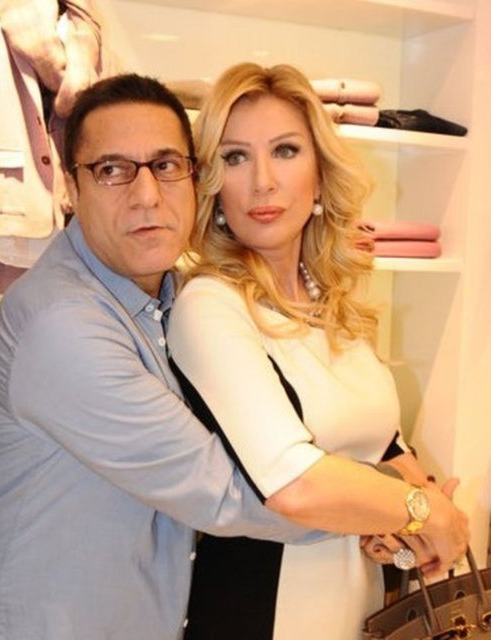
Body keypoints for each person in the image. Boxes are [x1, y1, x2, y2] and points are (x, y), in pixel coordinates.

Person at [0, 73, 324, 640]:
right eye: (112, 170)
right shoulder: (62, 324)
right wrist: (404, 511)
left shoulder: (172, 296)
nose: (146, 195)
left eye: (165, 165)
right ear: (72, 188)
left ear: (194, 178)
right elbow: (222, 492)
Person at [166, 62, 470, 640]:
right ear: (212, 184)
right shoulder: (209, 305)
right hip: (262, 613)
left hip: (357, 607)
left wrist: (414, 525)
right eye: (235, 157)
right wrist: (425, 512)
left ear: (321, 174)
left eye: (285, 151)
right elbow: (295, 483)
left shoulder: (331, 300)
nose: (262, 182)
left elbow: (385, 444)